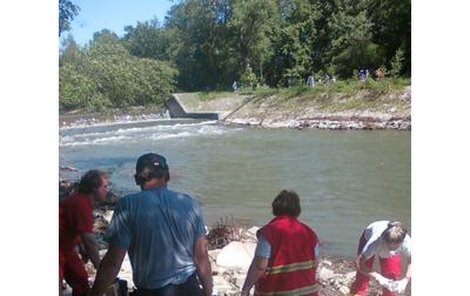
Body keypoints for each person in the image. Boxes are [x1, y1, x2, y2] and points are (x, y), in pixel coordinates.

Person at [89, 153, 213, 296]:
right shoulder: (190, 203)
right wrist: (208, 292)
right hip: (190, 288)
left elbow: (113, 262)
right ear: (167, 176)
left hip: (153, 291)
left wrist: (95, 293)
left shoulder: (128, 205)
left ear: (137, 179)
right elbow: (201, 258)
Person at [241, 190, 320, 296]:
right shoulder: (309, 233)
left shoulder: (269, 232)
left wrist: (246, 288)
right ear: (297, 210)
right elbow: (315, 263)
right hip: (308, 292)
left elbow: (260, 265)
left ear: (275, 208)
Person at [59, 169, 109, 296]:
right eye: (104, 186)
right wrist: (101, 268)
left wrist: (81, 248)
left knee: (82, 284)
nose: (107, 190)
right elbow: (90, 241)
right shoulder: (81, 203)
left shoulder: (82, 201)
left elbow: (79, 229)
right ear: (93, 188)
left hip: (67, 249)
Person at [350, 220, 411, 296]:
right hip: (368, 236)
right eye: (389, 246)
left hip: (390, 242)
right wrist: (378, 277)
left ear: (401, 242)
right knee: (362, 277)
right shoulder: (374, 242)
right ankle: (357, 293)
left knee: (391, 277)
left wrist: (405, 280)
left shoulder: (408, 243)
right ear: (384, 241)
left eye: (395, 246)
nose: (391, 249)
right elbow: (359, 263)